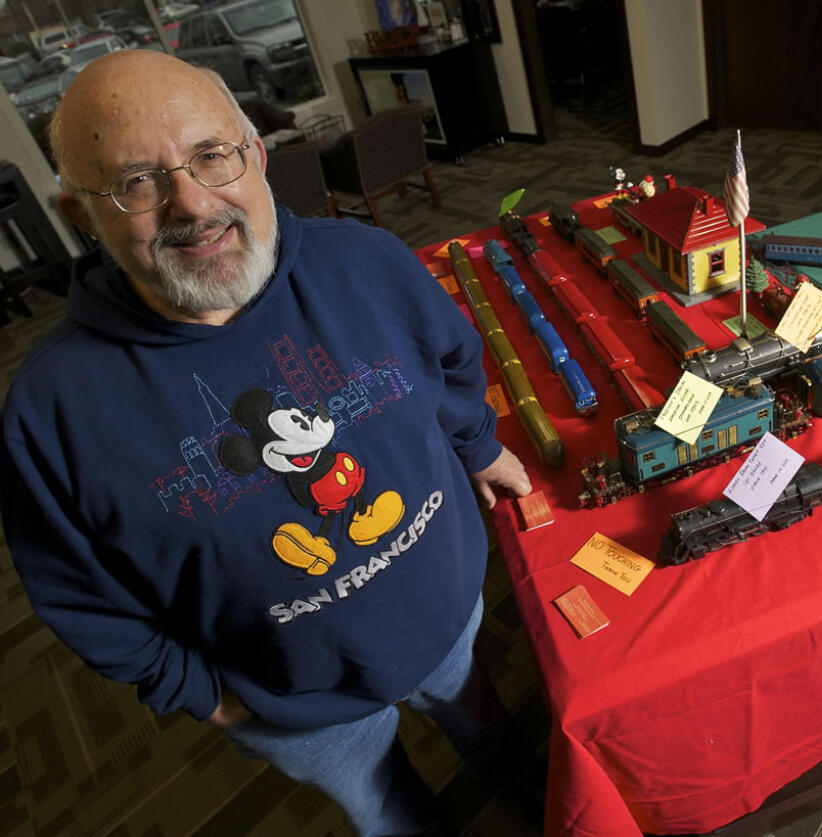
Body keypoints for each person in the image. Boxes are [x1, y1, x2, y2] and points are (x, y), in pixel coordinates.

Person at [0, 50, 534, 837]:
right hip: (291, 704)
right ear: (81, 214)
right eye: (137, 181)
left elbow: (452, 363)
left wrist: (480, 444)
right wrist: (200, 692)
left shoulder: (370, 259)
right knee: (385, 809)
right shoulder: (48, 412)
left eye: (212, 155)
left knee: (492, 733)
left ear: (255, 151)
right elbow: (84, 599)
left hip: (443, 614)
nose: (192, 203)